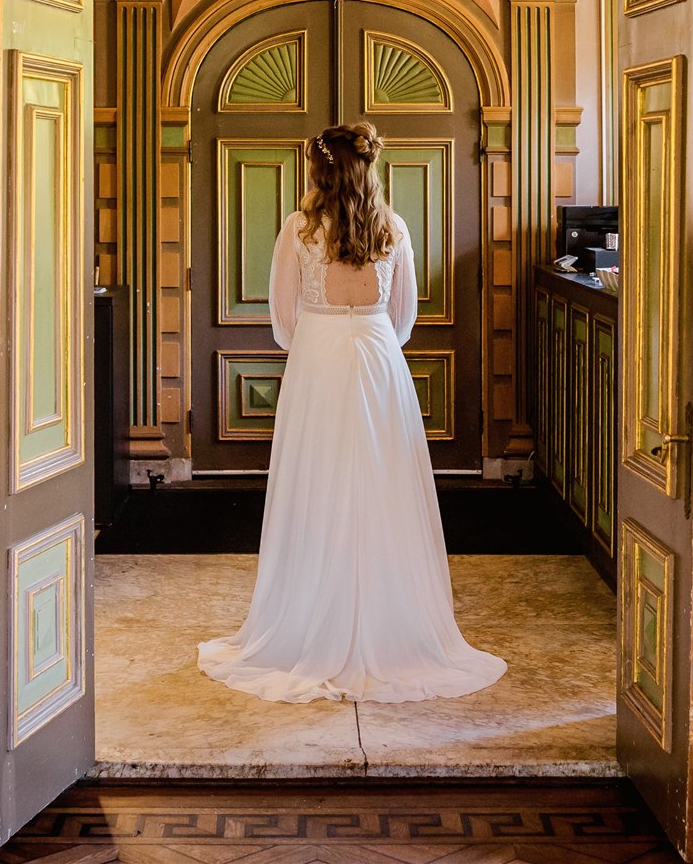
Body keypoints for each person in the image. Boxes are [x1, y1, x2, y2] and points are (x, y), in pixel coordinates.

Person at [198, 122, 506, 703]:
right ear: (370, 169)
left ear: (319, 171)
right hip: (378, 358)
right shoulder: (394, 228)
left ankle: (312, 614)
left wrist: (322, 340)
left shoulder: (299, 229)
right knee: (382, 486)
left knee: (317, 486)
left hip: (317, 361)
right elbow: (406, 318)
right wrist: (368, 338)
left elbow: (283, 324)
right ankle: (391, 624)